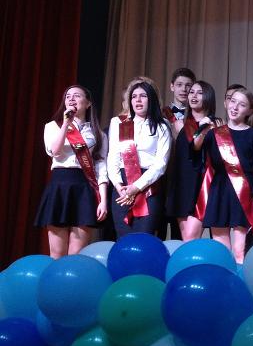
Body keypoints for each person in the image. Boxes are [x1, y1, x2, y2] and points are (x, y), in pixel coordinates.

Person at [35, 85, 109, 258]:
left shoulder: (98, 133)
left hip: (84, 188)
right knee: (57, 253)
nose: (71, 99)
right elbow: (54, 151)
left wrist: (103, 200)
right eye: (68, 96)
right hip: (60, 186)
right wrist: (66, 124)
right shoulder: (53, 126)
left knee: (77, 253)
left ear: (88, 103)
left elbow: (101, 166)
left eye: (77, 96)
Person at [197, 88, 253, 263]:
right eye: (233, 101)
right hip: (219, 191)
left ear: (249, 110)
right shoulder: (213, 134)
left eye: (241, 104)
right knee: (222, 252)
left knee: (239, 251)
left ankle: (240, 279)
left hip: (243, 193)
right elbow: (196, 155)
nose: (235, 107)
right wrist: (201, 130)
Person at [107, 81, 172, 236]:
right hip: (122, 187)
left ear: (152, 99)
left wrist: (136, 187)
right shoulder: (118, 123)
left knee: (144, 237)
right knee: (123, 238)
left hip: (148, 185)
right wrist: (118, 186)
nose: (138, 100)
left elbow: (161, 163)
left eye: (143, 96)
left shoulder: (162, 125)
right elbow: (113, 156)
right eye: (134, 96)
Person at [166, 80, 221, 241]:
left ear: (208, 97)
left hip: (203, 184)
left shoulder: (215, 124)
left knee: (191, 237)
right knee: (186, 240)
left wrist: (206, 129)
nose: (194, 96)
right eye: (192, 92)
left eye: (200, 93)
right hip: (183, 187)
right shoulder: (182, 125)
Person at [162, 67, 196, 133]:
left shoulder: (196, 115)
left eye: (188, 85)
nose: (184, 89)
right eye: (179, 85)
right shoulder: (162, 113)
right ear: (172, 87)